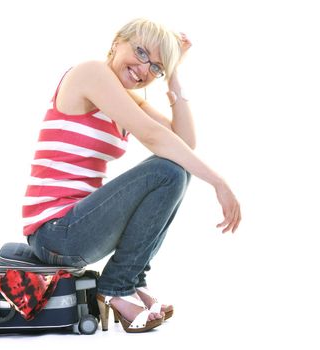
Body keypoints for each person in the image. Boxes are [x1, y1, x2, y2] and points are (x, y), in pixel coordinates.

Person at [22, 18, 241, 333]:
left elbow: (184, 143)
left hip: (75, 230)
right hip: (54, 232)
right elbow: (155, 137)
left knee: (176, 168)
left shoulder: (127, 98)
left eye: (156, 67)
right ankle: (116, 286)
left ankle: (130, 279)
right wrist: (219, 182)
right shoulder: (91, 73)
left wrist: (174, 77)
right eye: (140, 52)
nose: (144, 69)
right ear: (116, 43)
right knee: (166, 170)